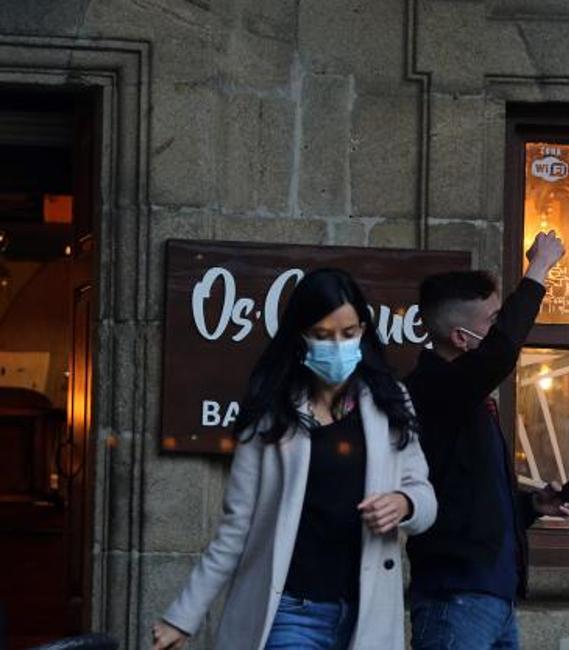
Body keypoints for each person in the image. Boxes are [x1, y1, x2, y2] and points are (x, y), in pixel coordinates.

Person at [150, 269, 437, 650]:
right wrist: (182, 619)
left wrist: (404, 503)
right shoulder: (271, 414)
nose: (337, 345)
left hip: (365, 614)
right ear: (300, 336)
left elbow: (425, 494)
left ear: (363, 331)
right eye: (322, 335)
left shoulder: (389, 401)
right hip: (289, 612)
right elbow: (235, 529)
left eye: (348, 333)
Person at [404, 231, 569, 650]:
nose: (500, 326)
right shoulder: (435, 387)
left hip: (493, 598)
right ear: (459, 338)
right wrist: (538, 270)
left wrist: (533, 505)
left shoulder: (466, 394)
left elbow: (469, 495)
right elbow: (502, 351)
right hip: (455, 598)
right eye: (491, 320)